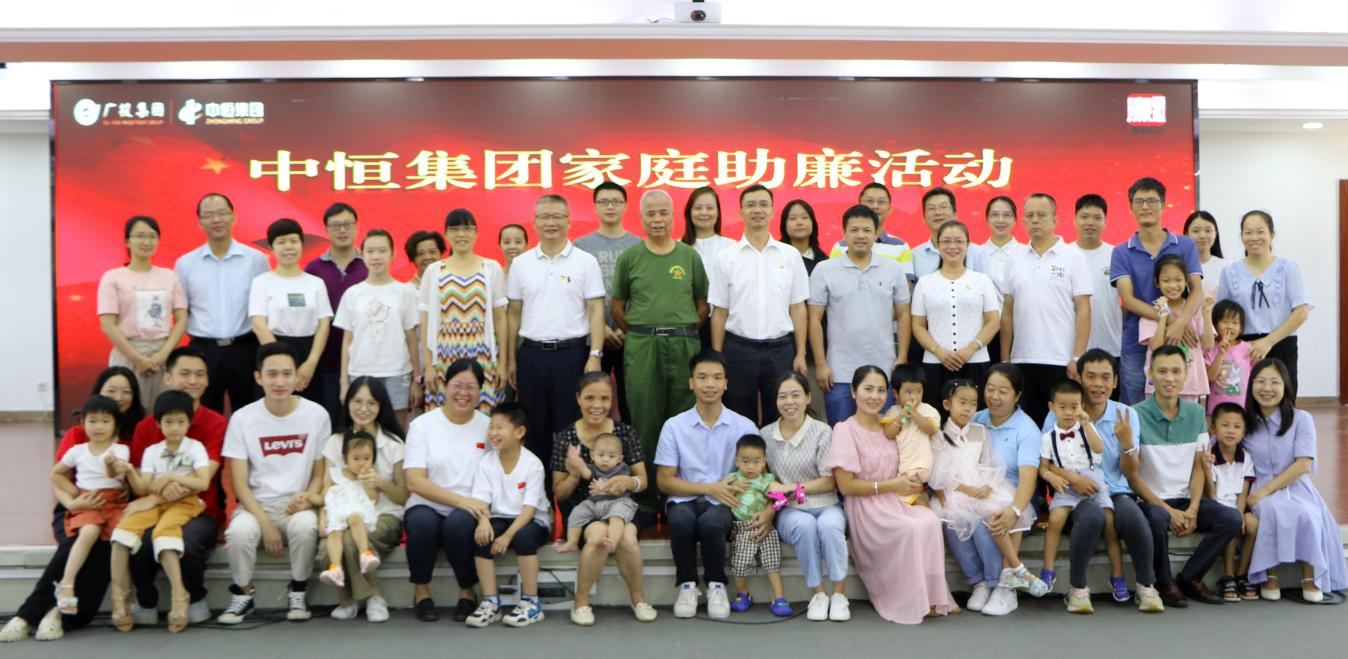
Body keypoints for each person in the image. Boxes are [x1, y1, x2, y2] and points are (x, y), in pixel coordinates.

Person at [1, 368, 146, 642]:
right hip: (79, 504)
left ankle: (57, 615)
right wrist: (73, 500)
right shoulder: (79, 436)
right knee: (76, 542)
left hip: (117, 509)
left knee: (106, 548)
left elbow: (137, 480)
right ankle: (27, 616)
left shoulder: (134, 435)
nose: (119, 396)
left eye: (126, 391)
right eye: (111, 390)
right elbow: (59, 477)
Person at [827, 365, 955, 624]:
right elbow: (846, 486)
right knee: (910, 528)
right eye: (868, 389)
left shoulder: (892, 424)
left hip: (896, 500)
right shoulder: (845, 429)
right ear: (853, 392)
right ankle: (906, 599)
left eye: (880, 390)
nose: (874, 396)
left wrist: (915, 483)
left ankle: (931, 597)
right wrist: (891, 485)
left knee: (929, 520)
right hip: (866, 508)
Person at [1043, 349, 1165, 612]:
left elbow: (1130, 472)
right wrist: (1073, 478)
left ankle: (1146, 585)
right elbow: (1046, 461)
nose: (1098, 384)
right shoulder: (1062, 410)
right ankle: (1077, 588)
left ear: (1115, 381)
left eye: (1106, 377)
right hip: (1074, 491)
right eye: (1091, 376)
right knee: (1092, 517)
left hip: (1116, 489)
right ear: (1079, 378)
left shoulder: (1126, 414)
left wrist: (1128, 444)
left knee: (1133, 518)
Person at [218, 342, 331, 624]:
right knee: (239, 533)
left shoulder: (317, 415)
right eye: (272, 374)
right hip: (256, 504)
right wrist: (265, 523)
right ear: (258, 378)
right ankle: (243, 593)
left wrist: (308, 497)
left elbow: (320, 471)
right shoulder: (243, 419)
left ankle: (298, 590)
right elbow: (239, 482)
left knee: (305, 527)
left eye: (286, 374)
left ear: (297, 377)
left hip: (298, 502)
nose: (279, 382)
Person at [612, 189, 709, 510]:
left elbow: (702, 306)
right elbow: (617, 307)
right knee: (645, 418)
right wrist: (643, 333)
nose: (657, 219)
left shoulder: (689, 256)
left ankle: (680, 496)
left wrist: (680, 330)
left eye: (663, 213)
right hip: (643, 346)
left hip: (683, 345)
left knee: (684, 420)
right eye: (651, 214)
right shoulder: (630, 257)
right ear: (641, 218)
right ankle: (647, 498)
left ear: (673, 216)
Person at [1127, 344, 1241, 607]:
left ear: (1186, 373)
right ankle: (1164, 582)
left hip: (1186, 500)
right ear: (1150, 373)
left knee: (1231, 519)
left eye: (1176, 371)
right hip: (1153, 502)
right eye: (1162, 371)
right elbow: (1133, 477)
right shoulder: (1135, 414)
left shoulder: (1196, 412)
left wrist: (1193, 509)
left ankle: (1190, 577)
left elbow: (1199, 465)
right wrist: (1170, 511)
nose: (1169, 378)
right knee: (1156, 519)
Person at [506, 194, 606, 490]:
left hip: (572, 355)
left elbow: (596, 310)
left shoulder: (585, 262)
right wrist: (511, 358)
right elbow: (514, 313)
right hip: (532, 356)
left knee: (572, 431)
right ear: (534, 222)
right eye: (545, 217)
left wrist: (595, 354)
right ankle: (539, 503)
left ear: (568, 221)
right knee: (533, 431)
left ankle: (575, 502)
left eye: (557, 216)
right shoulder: (521, 264)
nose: (551, 223)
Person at [124, 348, 227, 627]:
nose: (193, 380)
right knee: (141, 541)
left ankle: (195, 597)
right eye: (185, 373)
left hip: (201, 508)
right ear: (168, 378)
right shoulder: (147, 427)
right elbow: (141, 479)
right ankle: (146, 599)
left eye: (200, 374)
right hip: (156, 507)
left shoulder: (217, 423)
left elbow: (207, 474)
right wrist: (159, 495)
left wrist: (163, 490)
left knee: (187, 540)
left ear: (207, 381)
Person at [928, 378, 1045, 616]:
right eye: (962, 403)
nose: (968, 409)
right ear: (947, 404)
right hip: (955, 491)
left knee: (987, 523)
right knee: (954, 524)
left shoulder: (981, 431)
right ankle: (979, 581)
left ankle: (997, 581)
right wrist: (965, 489)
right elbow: (939, 472)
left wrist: (989, 486)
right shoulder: (939, 435)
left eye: (972, 404)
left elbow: (991, 462)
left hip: (982, 488)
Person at [656, 351, 759, 620]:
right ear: (691, 383)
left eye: (716, 377)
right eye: (702, 377)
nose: (709, 384)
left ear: (726, 383)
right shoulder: (674, 426)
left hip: (725, 501)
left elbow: (757, 475)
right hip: (685, 497)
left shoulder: (744, 426)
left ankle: (716, 585)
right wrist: (710, 488)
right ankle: (687, 586)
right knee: (680, 520)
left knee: (712, 522)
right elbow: (664, 480)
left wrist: (726, 488)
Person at [550, 371, 655, 625]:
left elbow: (643, 481)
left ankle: (638, 598)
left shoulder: (624, 433)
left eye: (605, 399)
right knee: (597, 536)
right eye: (590, 398)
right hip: (585, 508)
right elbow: (559, 492)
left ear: (612, 401)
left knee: (627, 536)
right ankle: (581, 601)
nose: (597, 405)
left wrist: (628, 482)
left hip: (620, 505)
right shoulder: (566, 438)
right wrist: (575, 474)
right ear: (578, 398)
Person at [1241, 358, 1348, 602]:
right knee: (1270, 510)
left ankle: (1310, 577)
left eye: (1274, 382)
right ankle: (1269, 575)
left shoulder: (1301, 419)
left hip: (1294, 485)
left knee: (1308, 513)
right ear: (1251, 385)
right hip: (1258, 484)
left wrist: (1265, 491)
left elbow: (1303, 464)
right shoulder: (1245, 421)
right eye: (1260, 381)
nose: (1267, 388)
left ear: (1286, 386)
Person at [108, 390, 210, 632]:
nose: (174, 428)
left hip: (186, 503)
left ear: (189, 422)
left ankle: (179, 594)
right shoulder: (152, 451)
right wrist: (130, 471)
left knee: (163, 533)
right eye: (168, 422)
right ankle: (119, 595)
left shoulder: (195, 447)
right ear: (157, 423)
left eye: (180, 421)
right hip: (155, 503)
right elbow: (144, 487)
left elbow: (203, 482)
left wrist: (170, 477)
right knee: (121, 533)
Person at [708, 184, 809, 426]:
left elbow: (798, 308)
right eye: (751, 205)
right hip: (738, 349)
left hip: (781, 350)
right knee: (738, 418)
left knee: (782, 416)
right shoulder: (726, 258)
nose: (757, 210)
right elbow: (719, 312)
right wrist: (718, 357)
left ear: (772, 211)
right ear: (740, 212)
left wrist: (801, 352)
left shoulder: (790, 255)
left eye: (763, 205)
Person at [403, 358, 490, 623]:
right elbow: (414, 481)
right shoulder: (422, 425)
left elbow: (495, 474)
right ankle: (421, 591)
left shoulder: (488, 426)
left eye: (471, 387)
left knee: (457, 526)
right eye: (457, 385)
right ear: (445, 386)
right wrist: (460, 501)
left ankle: (467, 591)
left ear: (480, 391)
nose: (463, 393)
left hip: (472, 505)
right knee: (421, 524)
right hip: (427, 501)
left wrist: (474, 506)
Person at [809, 204, 911, 425]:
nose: (860, 235)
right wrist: (821, 364)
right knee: (840, 433)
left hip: (883, 370)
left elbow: (904, 314)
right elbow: (814, 319)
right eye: (854, 230)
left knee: (883, 435)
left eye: (867, 230)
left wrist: (902, 357)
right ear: (844, 232)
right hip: (839, 372)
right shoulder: (825, 270)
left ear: (876, 233)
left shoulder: (893, 269)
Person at [760, 372, 848, 622]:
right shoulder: (765, 434)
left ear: (808, 397)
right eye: (783, 396)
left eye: (795, 395)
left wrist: (791, 487)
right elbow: (765, 480)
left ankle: (839, 594)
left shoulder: (822, 431)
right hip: (789, 510)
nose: (789, 402)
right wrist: (774, 491)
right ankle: (818, 593)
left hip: (827, 504)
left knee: (830, 527)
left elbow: (829, 481)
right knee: (804, 526)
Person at [999, 193, 1092, 426]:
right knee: (1027, 425)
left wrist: (1077, 357)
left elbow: (1084, 310)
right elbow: (1007, 311)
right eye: (1030, 215)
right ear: (1023, 221)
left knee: (1060, 427)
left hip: (1060, 359)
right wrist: (1005, 359)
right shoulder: (1014, 258)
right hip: (1022, 358)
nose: (1035, 220)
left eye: (1041, 215)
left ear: (1055, 219)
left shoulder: (1073, 257)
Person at [320, 377, 407, 621]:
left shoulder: (393, 444)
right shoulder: (335, 442)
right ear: (347, 403)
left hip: (385, 515)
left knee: (349, 541)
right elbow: (327, 488)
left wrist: (380, 483)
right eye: (357, 401)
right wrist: (323, 515)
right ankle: (362, 598)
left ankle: (365, 598)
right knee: (329, 545)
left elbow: (403, 496)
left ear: (381, 406)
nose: (363, 409)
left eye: (371, 403)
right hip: (342, 514)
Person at [1110, 178, 1203, 404]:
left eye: (1152, 201)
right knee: (1135, 407)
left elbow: (1197, 290)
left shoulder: (1185, 245)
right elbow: (1128, 300)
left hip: (1180, 340)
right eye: (1139, 202)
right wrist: (1171, 319)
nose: (1145, 207)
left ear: (1163, 205)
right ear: (1131, 207)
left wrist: (1181, 323)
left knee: (1181, 404)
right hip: (1137, 342)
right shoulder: (1121, 252)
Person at [175, 192, 269, 413]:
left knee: (249, 413)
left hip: (245, 348)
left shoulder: (255, 260)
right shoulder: (185, 264)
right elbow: (181, 311)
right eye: (209, 215)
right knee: (203, 415)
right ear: (200, 222)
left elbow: (264, 307)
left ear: (233, 217)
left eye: (222, 213)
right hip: (203, 351)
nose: (216, 220)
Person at [464, 403, 551, 628]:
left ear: (519, 432)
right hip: (499, 517)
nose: (493, 432)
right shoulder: (486, 461)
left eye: (500, 427)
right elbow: (481, 500)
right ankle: (491, 602)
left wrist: (507, 537)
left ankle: (531, 602)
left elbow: (529, 509)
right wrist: (483, 521)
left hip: (531, 519)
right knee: (482, 538)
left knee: (524, 537)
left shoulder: (533, 464)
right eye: (491, 427)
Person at [970, 363, 1044, 616]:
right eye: (990, 389)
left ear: (1017, 395)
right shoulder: (976, 419)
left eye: (1003, 391)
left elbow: (1028, 478)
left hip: (1015, 495)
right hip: (979, 491)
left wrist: (1015, 510)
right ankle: (982, 582)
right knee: (951, 518)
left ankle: (1004, 587)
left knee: (994, 520)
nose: (994, 396)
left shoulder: (1027, 429)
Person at [419, 209, 509, 411]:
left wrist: (502, 362)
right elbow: (425, 321)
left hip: (482, 350)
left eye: (467, 229)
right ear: (446, 234)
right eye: (454, 229)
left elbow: (500, 318)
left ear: (476, 233)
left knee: (483, 413)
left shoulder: (491, 268)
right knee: (446, 412)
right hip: (445, 352)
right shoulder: (434, 271)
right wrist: (429, 366)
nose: (461, 234)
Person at [1216, 211, 1310, 398]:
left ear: (1272, 235)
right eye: (1248, 232)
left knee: (1283, 400)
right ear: (1241, 236)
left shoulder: (1288, 267)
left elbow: (1301, 312)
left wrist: (1268, 341)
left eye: (1260, 231)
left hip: (1282, 343)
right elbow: (1222, 315)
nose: (1254, 237)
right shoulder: (1229, 271)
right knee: (1244, 402)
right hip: (1244, 347)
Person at [50, 396, 130, 616]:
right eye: (93, 421)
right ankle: (67, 584)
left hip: (115, 503)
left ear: (115, 424)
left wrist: (110, 464)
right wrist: (75, 494)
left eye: (105, 421)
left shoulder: (121, 450)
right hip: (89, 502)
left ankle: (123, 595)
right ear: (83, 423)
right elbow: (56, 473)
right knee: (88, 532)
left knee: (122, 539)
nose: (98, 426)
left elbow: (114, 475)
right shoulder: (77, 450)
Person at [1037, 379, 1112, 613]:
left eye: (1074, 407)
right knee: (1056, 520)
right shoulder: (1048, 437)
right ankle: (1048, 569)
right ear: (1052, 407)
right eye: (1062, 407)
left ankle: (1118, 575)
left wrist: (1087, 423)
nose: (1069, 412)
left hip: (1092, 478)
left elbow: (1099, 448)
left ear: (1082, 407)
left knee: (1109, 521)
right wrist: (1052, 477)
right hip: (1065, 484)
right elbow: (1043, 467)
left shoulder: (1086, 429)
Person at [334, 229, 421, 429]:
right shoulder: (353, 294)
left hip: (398, 372)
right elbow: (347, 340)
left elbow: (411, 337)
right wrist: (344, 382)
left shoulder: (405, 292)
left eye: (382, 251)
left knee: (396, 431)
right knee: (363, 430)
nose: (376, 257)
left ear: (392, 254)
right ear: (363, 254)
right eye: (370, 251)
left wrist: (417, 379)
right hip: (361, 371)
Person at [97, 215, 188, 404]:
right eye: (140, 236)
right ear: (127, 241)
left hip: (163, 354)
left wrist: (163, 354)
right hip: (128, 353)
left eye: (152, 236)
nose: (146, 242)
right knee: (126, 407)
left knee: (163, 409)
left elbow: (181, 319)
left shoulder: (169, 276)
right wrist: (137, 358)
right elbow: (108, 325)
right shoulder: (113, 277)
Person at [911, 220, 1000, 409]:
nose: (952, 246)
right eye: (946, 241)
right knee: (936, 417)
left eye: (959, 241)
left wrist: (970, 349)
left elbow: (993, 321)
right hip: (935, 362)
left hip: (975, 360)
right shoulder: (925, 282)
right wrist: (938, 351)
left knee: (974, 417)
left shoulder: (982, 280)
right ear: (938, 245)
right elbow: (917, 325)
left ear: (968, 245)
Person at [574, 181, 642, 422]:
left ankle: (631, 446)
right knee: (591, 401)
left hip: (631, 336)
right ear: (595, 207)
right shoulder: (580, 246)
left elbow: (644, 293)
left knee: (631, 402)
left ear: (626, 206)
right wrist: (600, 328)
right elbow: (574, 295)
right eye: (604, 202)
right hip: (592, 337)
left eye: (616, 201)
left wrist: (626, 326)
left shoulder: (639, 245)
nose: (610, 206)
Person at [250, 218, 334, 407]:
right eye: (281, 242)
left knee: (310, 411)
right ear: (271, 248)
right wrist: (283, 366)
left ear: (302, 245)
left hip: (309, 356)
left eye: (294, 241)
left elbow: (323, 324)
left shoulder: (316, 283)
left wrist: (311, 363)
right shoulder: (262, 282)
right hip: (273, 352)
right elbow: (258, 324)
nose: (288, 247)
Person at [306, 203, 368, 420]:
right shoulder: (313, 269)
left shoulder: (369, 265)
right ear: (326, 229)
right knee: (329, 419)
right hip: (326, 360)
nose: (342, 230)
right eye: (336, 226)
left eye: (347, 224)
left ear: (357, 226)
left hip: (364, 358)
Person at [724, 435, 791, 617]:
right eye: (745, 461)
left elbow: (779, 496)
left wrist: (779, 497)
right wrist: (733, 488)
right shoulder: (732, 478)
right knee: (740, 563)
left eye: (756, 462)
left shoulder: (766, 479)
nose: (750, 467)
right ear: (737, 461)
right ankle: (743, 594)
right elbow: (720, 494)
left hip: (766, 526)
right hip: (743, 527)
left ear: (763, 462)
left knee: (772, 563)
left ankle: (779, 598)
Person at [317, 432, 384, 604]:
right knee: (334, 533)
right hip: (338, 512)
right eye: (356, 458)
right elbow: (325, 496)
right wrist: (321, 511)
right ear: (345, 458)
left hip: (358, 513)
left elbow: (374, 499)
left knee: (354, 519)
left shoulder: (370, 478)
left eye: (367, 458)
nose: (362, 463)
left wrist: (368, 483)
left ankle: (365, 553)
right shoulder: (335, 474)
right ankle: (335, 567)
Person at [1204, 403, 1259, 601]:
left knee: (1252, 524)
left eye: (1237, 426)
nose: (1231, 431)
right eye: (1225, 425)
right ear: (1213, 428)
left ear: (1244, 431)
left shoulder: (1246, 457)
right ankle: (1228, 575)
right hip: (1216, 508)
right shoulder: (1210, 456)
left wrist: (1240, 514)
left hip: (1237, 507)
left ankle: (1241, 574)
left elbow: (1244, 492)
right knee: (1231, 522)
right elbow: (1210, 494)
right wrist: (1206, 468)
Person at [1140, 255, 1212, 401]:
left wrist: (1206, 313)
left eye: (1178, 280)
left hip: (1190, 386)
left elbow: (1208, 344)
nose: (1173, 285)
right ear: (1157, 282)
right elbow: (1157, 347)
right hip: (1158, 387)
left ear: (1186, 281)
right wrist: (1163, 315)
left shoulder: (1195, 309)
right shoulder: (1150, 313)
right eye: (1166, 281)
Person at [555, 432, 636, 554]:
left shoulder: (622, 468)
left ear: (619, 459)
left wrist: (603, 487)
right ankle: (572, 542)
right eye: (601, 455)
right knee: (576, 513)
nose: (605, 459)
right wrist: (578, 462)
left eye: (611, 456)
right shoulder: (593, 468)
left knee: (617, 516)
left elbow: (617, 487)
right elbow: (586, 473)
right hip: (594, 503)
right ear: (592, 455)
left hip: (617, 501)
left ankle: (613, 540)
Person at [1070, 194, 1122, 360]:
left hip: (1111, 345)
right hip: (1070, 348)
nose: (1090, 222)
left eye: (1097, 218)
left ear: (1105, 222)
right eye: (1084, 217)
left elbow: (1127, 300)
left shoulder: (1117, 255)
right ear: (1075, 220)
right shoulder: (1064, 254)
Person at [683, 186, 735, 351]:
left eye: (710, 208)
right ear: (689, 212)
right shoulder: (678, 248)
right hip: (687, 325)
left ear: (718, 212)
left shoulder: (732, 247)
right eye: (698, 208)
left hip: (726, 325)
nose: (704, 212)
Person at [879, 365, 938, 505]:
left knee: (918, 502)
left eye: (919, 391)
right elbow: (888, 433)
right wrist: (901, 417)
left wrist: (915, 414)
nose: (914, 397)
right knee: (910, 501)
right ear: (896, 394)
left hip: (922, 465)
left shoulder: (928, 410)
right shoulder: (893, 412)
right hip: (903, 468)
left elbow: (931, 429)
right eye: (908, 392)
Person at [828, 183, 916, 273]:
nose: (875, 206)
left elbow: (905, 281)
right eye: (869, 201)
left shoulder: (901, 247)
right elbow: (831, 278)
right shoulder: (840, 247)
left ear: (890, 209)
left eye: (881, 202)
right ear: (859, 205)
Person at [980, 196, 1026, 363]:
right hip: (985, 331)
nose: (1001, 220)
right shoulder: (976, 253)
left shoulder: (1026, 253)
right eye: (995, 215)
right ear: (987, 219)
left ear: (1015, 220)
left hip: (1021, 329)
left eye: (1007, 215)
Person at [1206, 300, 1255, 413]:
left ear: (1241, 327)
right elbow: (1210, 377)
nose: (1230, 326)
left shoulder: (1248, 349)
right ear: (1215, 324)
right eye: (1224, 321)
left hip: (1242, 410)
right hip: (1215, 410)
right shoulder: (1210, 347)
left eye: (1235, 322)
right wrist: (1221, 353)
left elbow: (1255, 378)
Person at [1184, 210, 1225, 300]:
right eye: (1196, 231)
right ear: (1186, 234)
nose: (1202, 235)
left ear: (1215, 233)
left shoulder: (1226, 268)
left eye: (1208, 230)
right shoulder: (1178, 267)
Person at [780, 199, 826, 274]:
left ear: (813, 224)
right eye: (793, 218)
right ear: (784, 225)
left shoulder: (823, 262)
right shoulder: (775, 257)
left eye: (804, 217)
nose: (799, 222)